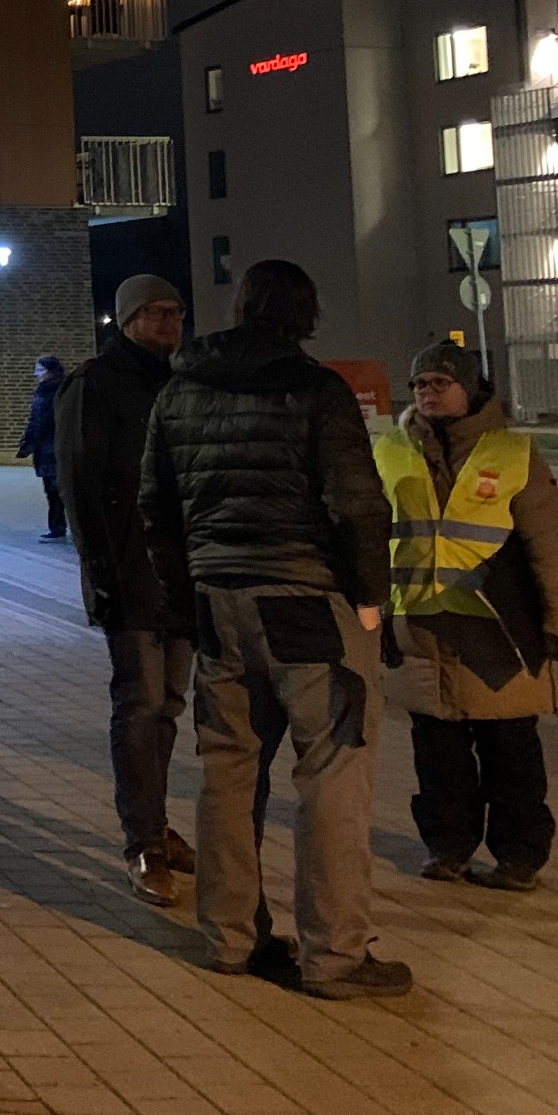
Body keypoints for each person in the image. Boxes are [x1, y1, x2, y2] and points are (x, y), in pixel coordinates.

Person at [140, 258, 408, 998]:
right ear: (306, 314)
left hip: (219, 599)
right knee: (332, 773)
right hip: (307, 602)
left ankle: (228, 939)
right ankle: (335, 956)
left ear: (240, 307)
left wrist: (187, 589)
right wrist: (371, 601)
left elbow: (153, 506)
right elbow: (358, 505)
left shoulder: (182, 388)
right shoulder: (317, 390)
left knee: (228, 769)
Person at [374, 340, 558, 891]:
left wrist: (556, 619)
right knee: (437, 751)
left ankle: (519, 857)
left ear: (470, 388)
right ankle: (447, 848)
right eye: (419, 385)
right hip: (422, 626)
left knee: (511, 750)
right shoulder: (391, 450)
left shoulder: (512, 453)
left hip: (498, 629)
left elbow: (548, 544)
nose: (427, 393)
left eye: (439, 382)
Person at [57, 274, 196, 906]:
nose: (170, 324)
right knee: (140, 704)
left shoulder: (183, 381)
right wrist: (102, 572)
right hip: (131, 571)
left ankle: (159, 824)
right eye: (157, 313)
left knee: (169, 703)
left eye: (177, 313)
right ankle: (142, 840)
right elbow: (81, 484)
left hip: (184, 572)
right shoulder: (95, 383)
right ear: (129, 319)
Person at [20, 353, 67, 538]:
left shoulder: (47, 394)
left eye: (40, 369)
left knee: (54, 490)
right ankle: (59, 526)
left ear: (50, 372)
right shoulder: (60, 390)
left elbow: (38, 421)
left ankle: (57, 528)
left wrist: (29, 441)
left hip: (50, 448)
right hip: (55, 446)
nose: (36, 374)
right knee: (57, 489)